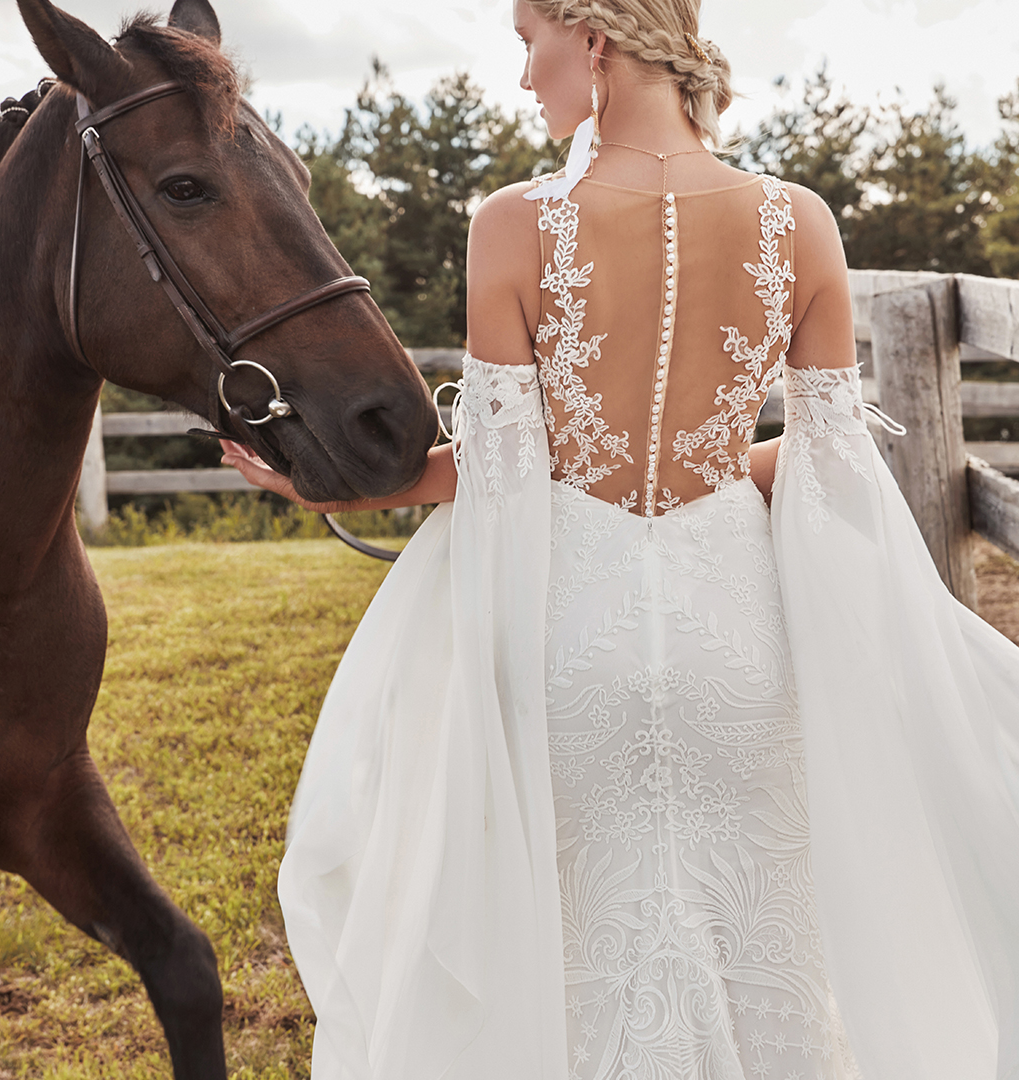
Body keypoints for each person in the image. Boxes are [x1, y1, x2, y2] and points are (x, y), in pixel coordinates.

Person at [223, 1, 1019, 1077]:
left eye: (527, 45)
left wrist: (335, 490)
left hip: (573, 640)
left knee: (576, 958)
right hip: (744, 639)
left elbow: (502, 475)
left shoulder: (514, 223)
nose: (523, 79)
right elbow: (835, 471)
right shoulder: (800, 221)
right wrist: (711, 472)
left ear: (592, 41)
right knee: (767, 948)